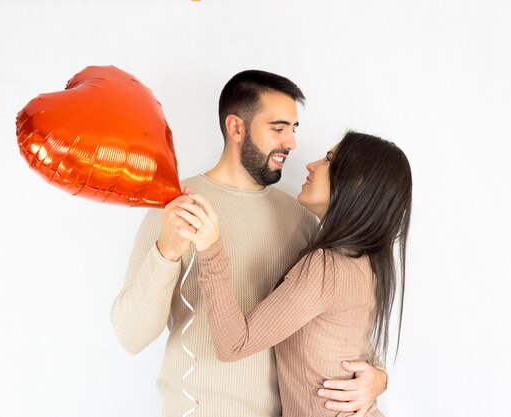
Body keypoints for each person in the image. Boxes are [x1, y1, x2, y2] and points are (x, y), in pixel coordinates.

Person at [110, 70, 388, 416]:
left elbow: (340, 313)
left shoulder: (301, 218)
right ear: (236, 128)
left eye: (293, 129)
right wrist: (165, 253)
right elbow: (131, 336)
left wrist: (377, 375)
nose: (291, 142)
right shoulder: (178, 207)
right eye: (278, 128)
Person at [176, 131, 412, 417]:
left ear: (357, 182)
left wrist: (210, 248)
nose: (311, 164)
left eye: (328, 159)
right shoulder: (367, 264)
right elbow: (348, 345)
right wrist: (380, 377)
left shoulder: (329, 266)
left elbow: (234, 344)